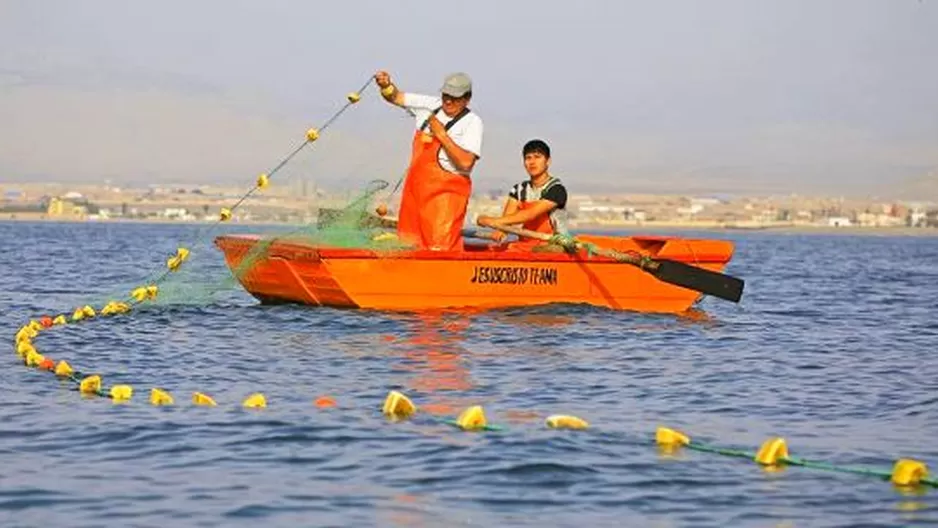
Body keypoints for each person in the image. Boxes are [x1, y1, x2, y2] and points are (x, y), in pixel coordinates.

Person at [374, 70, 484, 251]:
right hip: (415, 194)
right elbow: (396, 97)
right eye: (445, 95)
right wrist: (386, 85)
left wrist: (441, 134)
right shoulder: (430, 106)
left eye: (454, 98)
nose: (448, 101)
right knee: (409, 244)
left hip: (445, 201)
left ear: (467, 99)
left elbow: (466, 163)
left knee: (439, 247)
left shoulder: (472, 123)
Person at [476, 139, 569, 248]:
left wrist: (492, 221)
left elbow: (530, 214)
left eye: (537, 157)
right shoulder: (518, 190)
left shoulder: (557, 189)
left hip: (554, 246)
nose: (532, 162)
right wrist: (500, 230)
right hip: (527, 246)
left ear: (548, 161)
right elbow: (508, 219)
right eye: (528, 158)